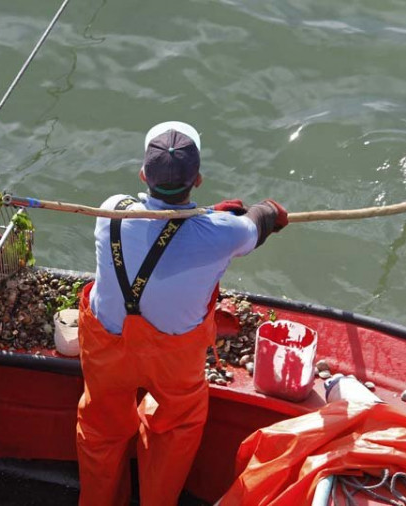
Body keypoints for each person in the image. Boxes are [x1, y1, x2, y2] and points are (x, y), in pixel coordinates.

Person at [75, 121, 288, 506]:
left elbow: (164, 231)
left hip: (106, 347)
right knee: (177, 428)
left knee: (100, 431)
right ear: (199, 179)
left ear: (143, 175)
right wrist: (267, 210)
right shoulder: (222, 233)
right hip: (173, 358)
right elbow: (256, 223)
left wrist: (212, 217)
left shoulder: (111, 209)